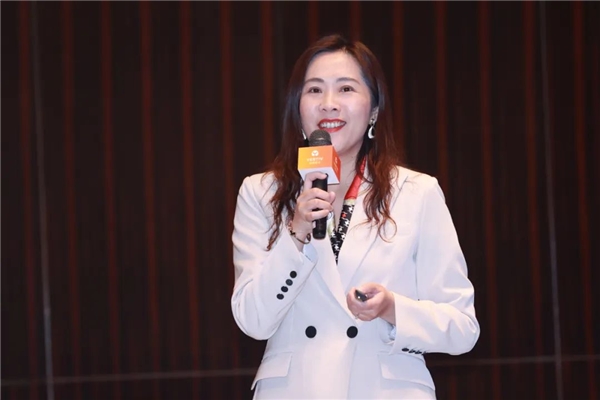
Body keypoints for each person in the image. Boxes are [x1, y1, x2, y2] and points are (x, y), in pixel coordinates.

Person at [231, 34, 479, 399]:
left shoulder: (416, 192)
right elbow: (253, 320)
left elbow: (462, 327)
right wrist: (295, 233)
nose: (328, 103)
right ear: (297, 109)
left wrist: (393, 309)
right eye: (314, 90)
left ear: (374, 110)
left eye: (346, 88)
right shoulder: (260, 193)